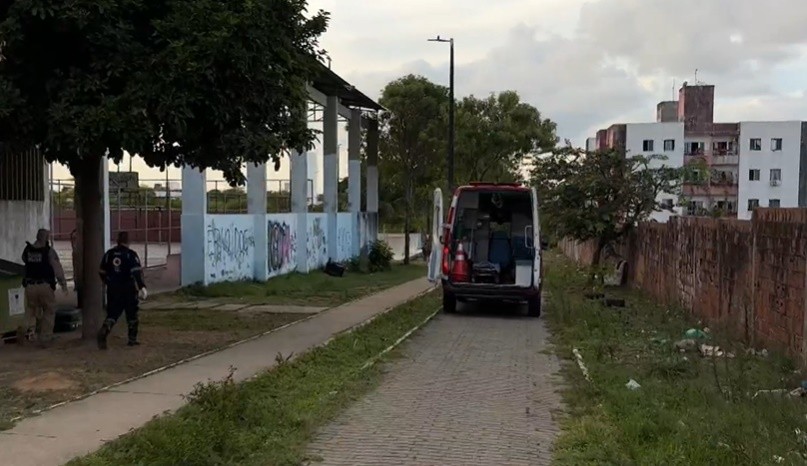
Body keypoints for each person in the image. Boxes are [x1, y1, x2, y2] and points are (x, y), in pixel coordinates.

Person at [97, 231, 148, 350]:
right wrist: (142, 287)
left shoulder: (109, 254)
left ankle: (105, 328)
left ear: (117, 240)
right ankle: (132, 339)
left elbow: (101, 271)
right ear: (128, 241)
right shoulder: (131, 255)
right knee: (132, 313)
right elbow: (136, 272)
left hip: (113, 288)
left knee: (113, 313)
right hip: (128, 288)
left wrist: (108, 281)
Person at [20, 228, 68, 347]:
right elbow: (57, 269)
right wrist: (63, 284)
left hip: (30, 286)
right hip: (45, 286)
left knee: (30, 309)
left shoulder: (28, 249)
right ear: (46, 238)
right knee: (49, 310)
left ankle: (24, 331)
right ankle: (45, 338)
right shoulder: (49, 251)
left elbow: (24, 260)